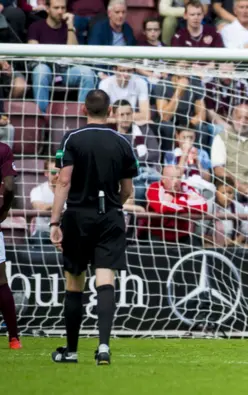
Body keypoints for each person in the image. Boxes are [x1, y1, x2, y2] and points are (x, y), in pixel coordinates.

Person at [49, 90, 139, 365]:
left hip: (78, 216)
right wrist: (114, 205)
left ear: (82, 109)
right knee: (105, 280)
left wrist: (54, 221)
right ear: (110, 110)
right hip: (110, 215)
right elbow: (127, 189)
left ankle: (72, 350)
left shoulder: (72, 138)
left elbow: (64, 181)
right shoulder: (122, 142)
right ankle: (103, 347)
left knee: (75, 283)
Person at [0, 141, 19, 349]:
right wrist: (4, 209)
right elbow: (10, 186)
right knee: (1, 280)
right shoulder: (3, 150)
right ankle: (14, 338)